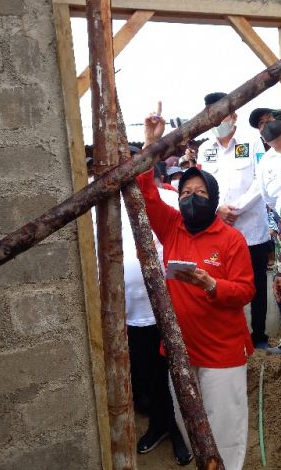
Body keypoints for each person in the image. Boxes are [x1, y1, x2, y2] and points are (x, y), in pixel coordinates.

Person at [139, 113, 255, 470]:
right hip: (181, 349)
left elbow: (246, 290)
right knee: (191, 423)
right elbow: (144, 192)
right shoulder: (173, 226)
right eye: (186, 193)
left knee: (226, 431)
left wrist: (212, 285)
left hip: (222, 353)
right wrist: (150, 145)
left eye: (200, 193)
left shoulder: (231, 239)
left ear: (213, 197)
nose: (191, 198)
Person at [124, 181, 192, 465]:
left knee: (178, 373)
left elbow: (185, 239)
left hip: (171, 306)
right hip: (131, 310)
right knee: (149, 374)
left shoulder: (167, 197)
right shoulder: (101, 201)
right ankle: (160, 425)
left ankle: (183, 431)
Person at [199, 92, 273, 349]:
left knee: (256, 286)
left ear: (234, 116)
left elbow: (260, 179)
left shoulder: (252, 141)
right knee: (223, 285)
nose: (218, 120)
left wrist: (237, 208)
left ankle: (260, 337)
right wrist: (217, 209)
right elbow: (202, 186)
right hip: (219, 231)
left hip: (252, 229)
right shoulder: (205, 149)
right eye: (212, 115)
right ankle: (231, 337)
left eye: (222, 114)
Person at [250, 107, 281, 355]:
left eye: (269, 120)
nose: (266, 125)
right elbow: (269, 200)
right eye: (260, 125)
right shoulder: (266, 162)